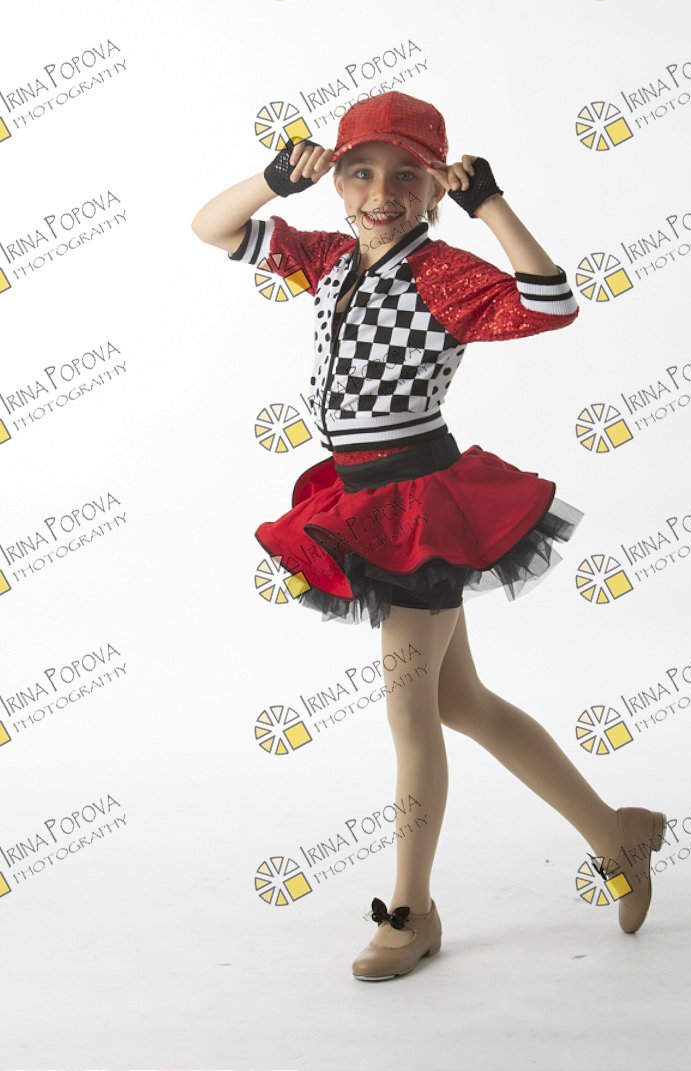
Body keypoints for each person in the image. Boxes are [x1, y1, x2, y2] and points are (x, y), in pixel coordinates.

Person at [191, 90, 667, 981]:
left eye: (407, 176)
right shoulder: (327, 257)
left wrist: (492, 204)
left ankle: (412, 910)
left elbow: (552, 302)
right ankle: (618, 835)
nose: (382, 193)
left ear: (435, 187)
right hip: (360, 497)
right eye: (361, 172)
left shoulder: (442, 272)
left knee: (411, 715)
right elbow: (211, 227)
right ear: (336, 180)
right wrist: (272, 179)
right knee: (462, 702)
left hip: (420, 507)